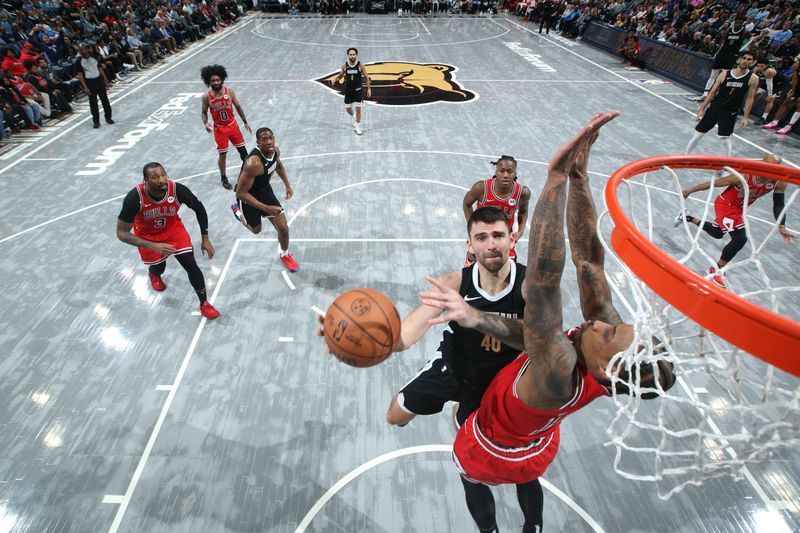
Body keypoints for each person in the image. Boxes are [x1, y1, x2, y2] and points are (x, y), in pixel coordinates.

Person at [423, 111, 675, 533]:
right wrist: (580, 179)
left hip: (492, 445)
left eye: (609, 332)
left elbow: (542, 280)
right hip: (539, 444)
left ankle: (489, 531)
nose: (600, 324)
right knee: (530, 480)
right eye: (615, 324)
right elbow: (588, 261)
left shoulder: (559, 367)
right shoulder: (606, 361)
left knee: (473, 482)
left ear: (607, 367)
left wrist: (554, 178)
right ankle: (534, 527)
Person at [383, 206, 527, 429]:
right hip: (453, 365)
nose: (491, 245)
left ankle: (461, 407)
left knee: (464, 427)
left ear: (512, 240)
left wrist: (474, 316)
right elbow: (405, 335)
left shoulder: (530, 285)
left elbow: (538, 339)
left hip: (500, 378)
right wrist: (363, 338)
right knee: (394, 416)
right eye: (481, 237)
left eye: (498, 235)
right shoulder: (454, 283)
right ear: (470, 245)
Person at [116, 162, 221, 319]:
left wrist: (205, 238)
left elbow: (199, 208)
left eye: (163, 174)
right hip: (147, 236)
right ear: (145, 181)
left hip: (173, 231)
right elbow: (121, 233)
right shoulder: (135, 197)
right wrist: (153, 246)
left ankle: (204, 303)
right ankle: (154, 274)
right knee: (159, 267)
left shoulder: (177, 190)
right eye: (155, 177)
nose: (161, 180)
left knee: (191, 265)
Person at [674, 153, 795, 288]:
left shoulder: (779, 181)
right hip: (726, 205)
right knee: (740, 239)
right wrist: (689, 190)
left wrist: (781, 226)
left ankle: (687, 217)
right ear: (761, 163)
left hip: (739, 209)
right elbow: (715, 183)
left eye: (776, 168)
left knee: (717, 233)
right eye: (769, 166)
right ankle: (716, 269)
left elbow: (778, 204)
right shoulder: (744, 176)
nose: (772, 170)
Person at [231, 127, 299, 272]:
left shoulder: (275, 151)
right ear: (258, 142)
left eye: (271, 138)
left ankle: (285, 254)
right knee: (256, 230)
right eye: (264, 139)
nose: (269, 142)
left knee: (283, 228)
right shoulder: (253, 163)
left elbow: (278, 165)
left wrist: (287, 185)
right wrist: (266, 209)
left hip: (265, 192)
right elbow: (240, 193)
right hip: (247, 198)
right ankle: (238, 213)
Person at [685, 51, 758, 157]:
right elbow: (712, 93)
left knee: (724, 138)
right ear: (739, 59)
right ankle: (686, 156)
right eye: (744, 58)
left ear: (753, 62)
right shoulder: (724, 74)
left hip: (730, 112)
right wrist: (702, 108)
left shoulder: (753, 78)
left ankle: (724, 166)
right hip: (715, 108)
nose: (745, 61)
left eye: (749, 59)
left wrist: (746, 117)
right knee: (698, 134)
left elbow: (750, 98)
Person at [462, 156, 531, 265]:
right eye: (501, 171)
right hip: (482, 233)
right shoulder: (481, 188)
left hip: (503, 236)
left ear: (515, 173)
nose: (505, 175)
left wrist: (520, 232)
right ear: (496, 171)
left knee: (507, 272)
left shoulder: (522, 193)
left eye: (509, 171)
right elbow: (466, 204)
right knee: (472, 268)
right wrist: (472, 227)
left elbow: (523, 212)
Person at [200, 64, 251, 190]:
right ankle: (224, 178)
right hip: (220, 129)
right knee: (223, 155)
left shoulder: (230, 92)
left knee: (244, 153)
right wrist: (206, 123)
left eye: (218, 80)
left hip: (232, 126)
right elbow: (204, 112)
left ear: (222, 79)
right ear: (209, 81)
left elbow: (238, 107)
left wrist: (245, 122)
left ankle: (249, 175)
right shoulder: (206, 97)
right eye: (213, 80)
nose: (216, 82)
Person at [695, 17, 747, 102]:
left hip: (731, 56)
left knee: (723, 77)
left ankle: (715, 96)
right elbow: (722, 42)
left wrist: (738, 55)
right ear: (734, 22)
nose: (738, 24)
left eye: (740, 23)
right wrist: (717, 53)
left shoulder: (744, 32)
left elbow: (747, 42)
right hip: (722, 54)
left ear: (742, 23)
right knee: (713, 75)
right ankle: (705, 94)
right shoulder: (728, 30)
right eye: (737, 22)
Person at [75, 42, 113, 129]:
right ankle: (96, 121)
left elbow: (100, 68)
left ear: (87, 49)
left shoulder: (94, 56)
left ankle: (108, 117)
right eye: (80, 50)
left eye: (83, 49)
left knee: (105, 100)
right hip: (89, 82)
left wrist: (105, 80)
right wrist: (85, 87)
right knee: (93, 103)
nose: (82, 51)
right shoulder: (78, 61)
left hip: (98, 80)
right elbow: (80, 75)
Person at [336, 48, 371, 135]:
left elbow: (367, 77)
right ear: (348, 55)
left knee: (358, 109)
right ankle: (354, 116)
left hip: (358, 91)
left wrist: (369, 89)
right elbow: (341, 75)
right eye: (350, 54)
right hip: (348, 91)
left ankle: (357, 127)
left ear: (356, 55)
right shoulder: (344, 66)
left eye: (354, 54)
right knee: (348, 109)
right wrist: (336, 79)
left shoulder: (360, 66)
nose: (352, 56)